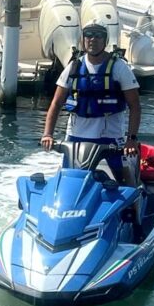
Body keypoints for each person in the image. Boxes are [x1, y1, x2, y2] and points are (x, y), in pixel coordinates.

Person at [40, 20, 141, 186]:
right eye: (88, 35)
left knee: (124, 181)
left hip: (111, 137)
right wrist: (47, 134)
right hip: (76, 135)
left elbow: (135, 106)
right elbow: (56, 103)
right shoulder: (73, 67)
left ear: (105, 40)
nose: (93, 39)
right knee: (69, 180)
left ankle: (134, 207)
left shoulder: (119, 67)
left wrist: (131, 139)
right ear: (82, 39)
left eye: (98, 35)